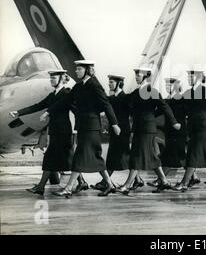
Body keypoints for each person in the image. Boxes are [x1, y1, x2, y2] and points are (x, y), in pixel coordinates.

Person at [48, 60, 121, 198]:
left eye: (79, 69)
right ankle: (110, 185)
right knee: (96, 157)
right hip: (83, 126)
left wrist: (114, 124)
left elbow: (106, 105)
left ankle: (69, 187)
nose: (76, 71)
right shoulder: (79, 86)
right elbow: (65, 101)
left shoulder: (94, 85)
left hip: (91, 128)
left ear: (87, 70)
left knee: (80, 156)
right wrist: (48, 111)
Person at [9, 70, 87, 195]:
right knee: (64, 158)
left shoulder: (66, 93)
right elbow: (37, 106)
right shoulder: (53, 95)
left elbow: (77, 110)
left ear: (61, 79)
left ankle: (41, 187)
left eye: (54, 78)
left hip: (63, 131)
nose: (51, 80)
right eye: (51, 78)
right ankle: (81, 182)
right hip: (55, 130)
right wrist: (19, 113)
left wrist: (85, 125)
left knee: (57, 158)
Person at [116, 67, 181, 194]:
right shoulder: (136, 92)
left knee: (137, 156)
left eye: (138, 74)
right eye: (135, 74)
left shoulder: (151, 91)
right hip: (139, 128)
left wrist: (173, 122)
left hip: (147, 129)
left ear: (146, 76)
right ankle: (164, 181)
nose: (136, 76)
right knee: (151, 156)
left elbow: (164, 106)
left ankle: (127, 185)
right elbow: (125, 103)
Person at [91, 74, 143, 191]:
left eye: (112, 82)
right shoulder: (112, 98)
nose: (109, 84)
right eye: (109, 82)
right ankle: (138, 180)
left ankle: (105, 182)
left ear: (119, 84)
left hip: (123, 131)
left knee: (115, 156)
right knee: (124, 156)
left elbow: (133, 113)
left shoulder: (126, 98)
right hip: (115, 132)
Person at [148, 77, 200, 189]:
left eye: (169, 85)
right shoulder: (168, 99)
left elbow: (189, 112)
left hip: (179, 131)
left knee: (173, 155)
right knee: (177, 155)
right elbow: (158, 112)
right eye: (166, 85)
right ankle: (194, 176)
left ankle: (161, 180)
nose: (167, 87)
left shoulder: (182, 99)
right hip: (170, 132)